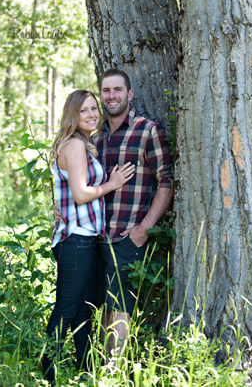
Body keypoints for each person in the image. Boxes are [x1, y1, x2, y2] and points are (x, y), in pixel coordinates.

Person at [43, 89, 135, 381]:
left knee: (83, 312)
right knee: (66, 310)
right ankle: (47, 373)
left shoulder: (83, 144)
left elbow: (67, 191)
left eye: (94, 108)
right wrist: (114, 182)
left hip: (85, 238)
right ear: (73, 114)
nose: (92, 114)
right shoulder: (74, 146)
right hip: (76, 240)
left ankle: (85, 371)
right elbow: (82, 194)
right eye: (84, 110)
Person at [94, 69, 174, 360]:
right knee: (104, 308)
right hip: (97, 239)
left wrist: (145, 227)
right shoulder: (97, 137)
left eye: (117, 90)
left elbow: (166, 180)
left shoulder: (146, 130)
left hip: (129, 237)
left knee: (120, 308)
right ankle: (103, 368)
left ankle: (113, 372)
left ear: (130, 94)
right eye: (106, 90)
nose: (111, 96)